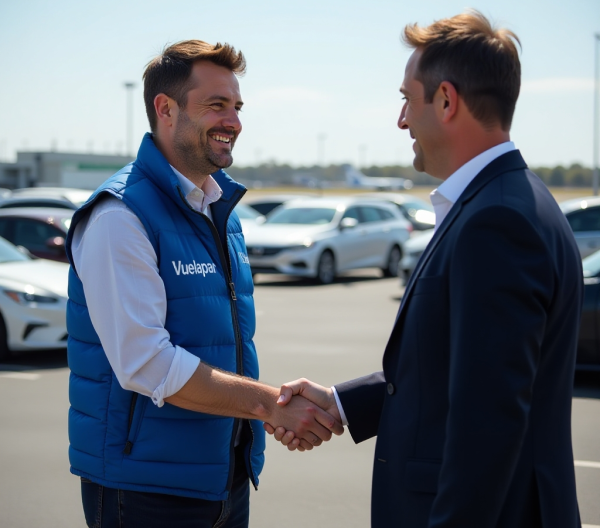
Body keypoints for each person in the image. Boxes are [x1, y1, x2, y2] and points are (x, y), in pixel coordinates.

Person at [266, 11, 583, 528]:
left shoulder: (496, 221)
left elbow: (487, 424)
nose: (401, 120)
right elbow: (456, 369)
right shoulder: (509, 201)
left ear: (446, 100)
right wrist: (343, 404)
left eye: (406, 100)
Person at [65, 40, 342, 528]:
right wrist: (270, 406)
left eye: (237, 106)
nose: (233, 121)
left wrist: (260, 417)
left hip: (225, 479)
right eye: (216, 105)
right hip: (146, 492)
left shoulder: (218, 210)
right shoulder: (119, 216)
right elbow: (146, 362)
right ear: (165, 109)